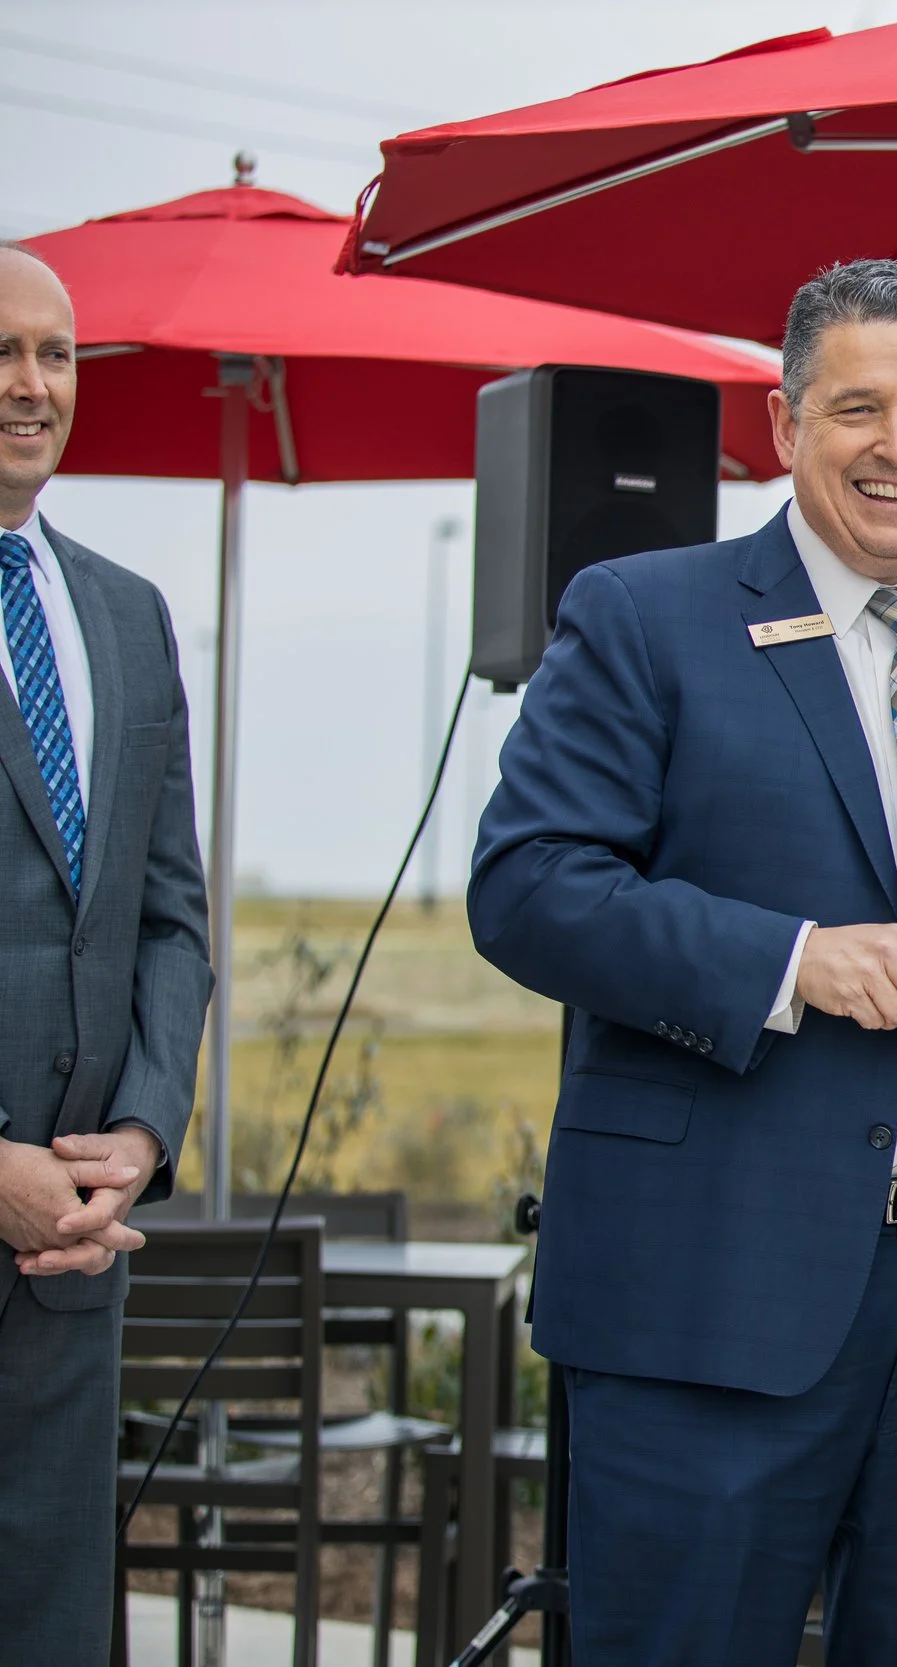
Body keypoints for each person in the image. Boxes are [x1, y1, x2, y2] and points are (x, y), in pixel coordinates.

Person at [469, 259, 897, 1666]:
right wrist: (793, 960)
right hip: (709, 1283)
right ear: (784, 421)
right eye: (858, 407)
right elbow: (528, 885)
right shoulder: (642, 615)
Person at [0, 242, 215, 1664]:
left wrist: (139, 1125)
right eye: (3, 352)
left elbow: (171, 910)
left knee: (54, 1620)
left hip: (79, 1245)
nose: (30, 385)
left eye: (56, 354)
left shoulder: (128, 614)